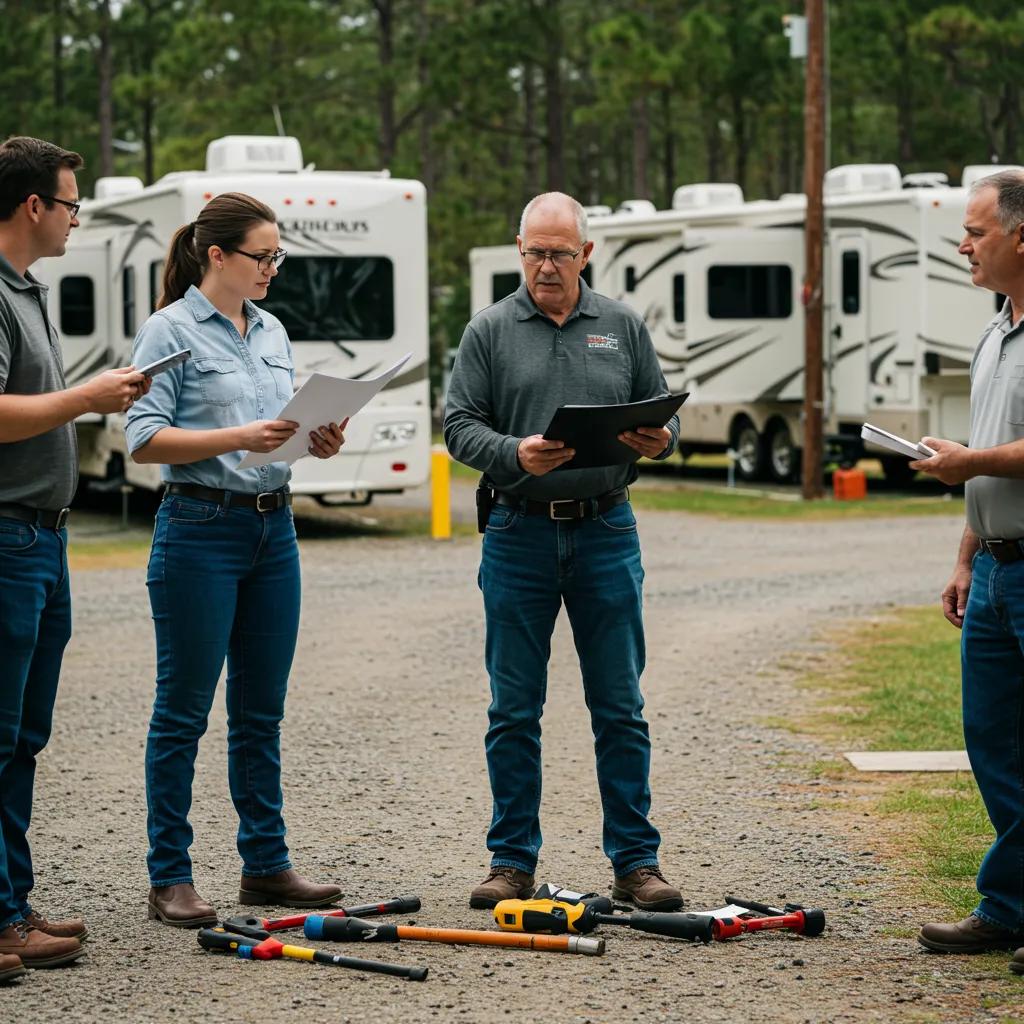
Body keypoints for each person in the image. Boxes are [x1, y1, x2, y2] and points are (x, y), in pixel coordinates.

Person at [444, 191, 684, 911]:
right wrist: (514, 453)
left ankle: (637, 864)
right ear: (520, 252)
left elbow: (661, 411)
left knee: (620, 705)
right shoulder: (488, 330)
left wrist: (659, 439)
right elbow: (457, 426)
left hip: (606, 529)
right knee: (514, 708)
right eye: (534, 253)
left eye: (559, 253)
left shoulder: (621, 325)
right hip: (519, 528)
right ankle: (511, 860)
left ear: (587, 253)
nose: (546, 267)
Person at [125, 192, 348, 927]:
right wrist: (236, 438)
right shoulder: (169, 330)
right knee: (183, 711)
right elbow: (144, 437)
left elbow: (278, 429)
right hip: (199, 529)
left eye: (278, 256)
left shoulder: (273, 329)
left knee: (261, 712)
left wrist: (317, 437)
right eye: (263, 256)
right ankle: (171, 876)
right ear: (215, 255)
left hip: (273, 533)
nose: (273, 269)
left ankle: (266, 865)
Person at [0, 136, 148, 968]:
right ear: (32, 207)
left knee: (23, 735)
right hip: (7, 536)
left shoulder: (27, 291)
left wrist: (90, 397)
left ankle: (10, 905)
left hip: (41, 540)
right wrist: (84, 399)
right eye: (69, 203)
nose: (75, 216)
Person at [911, 169, 1024, 970]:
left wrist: (968, 461)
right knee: (994, 745)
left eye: (976, 233)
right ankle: (1011, 906)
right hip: (995, 571)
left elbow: (987, 455)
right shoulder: (994, 332)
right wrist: (965, 555)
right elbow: (984, 462)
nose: (963, 246)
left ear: (1022, 237)